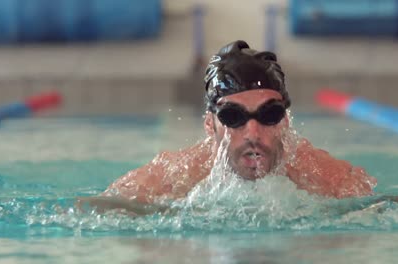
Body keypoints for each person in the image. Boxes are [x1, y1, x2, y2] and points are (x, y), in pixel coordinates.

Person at [77, 40, 377, 214]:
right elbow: (91, 209)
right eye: (233, 117)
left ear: (285, 121)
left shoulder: (324, 178)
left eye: (269, 115)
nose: (253, 133)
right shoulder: (175, 177)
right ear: (210, 125)